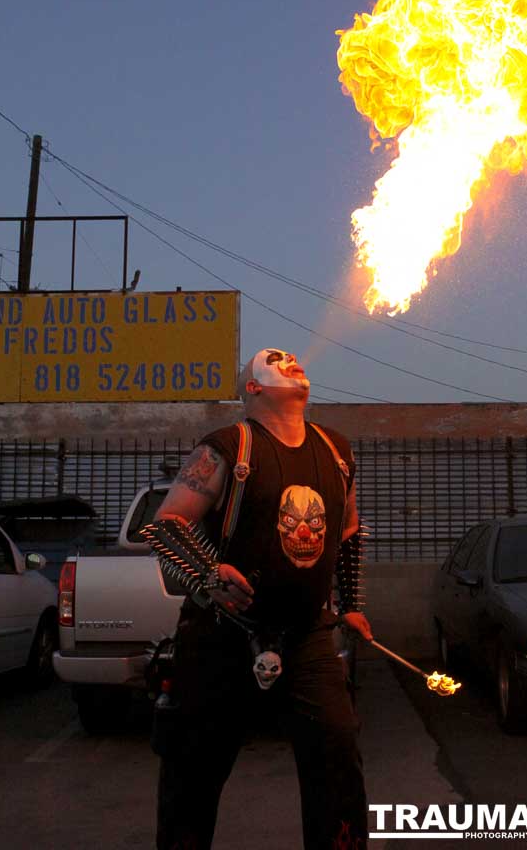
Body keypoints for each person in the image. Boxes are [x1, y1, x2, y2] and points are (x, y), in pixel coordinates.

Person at [149, 347, 372, 850]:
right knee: (192, 771)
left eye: (296, 360)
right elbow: (166, 527)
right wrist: (209, 573)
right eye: (278, 361)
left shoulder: (337, 450)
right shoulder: (226, 447)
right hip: (221, 637)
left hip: (308, 637)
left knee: (337, 755)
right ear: (252, 387)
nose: (293, 362)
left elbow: (349, 530)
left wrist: (352, 602)